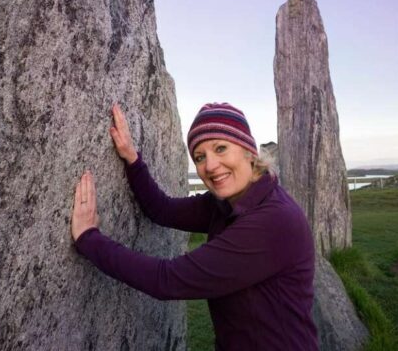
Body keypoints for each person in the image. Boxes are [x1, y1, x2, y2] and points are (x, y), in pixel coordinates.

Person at [72, 102, 318, 350]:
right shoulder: (229, 202)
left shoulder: (273, 221)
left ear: (248, 151)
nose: (210, 166)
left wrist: (88, 238)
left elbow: (167, 280)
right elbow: (162, 210)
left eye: (220, 148)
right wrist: (132, 159)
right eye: (200, 157)